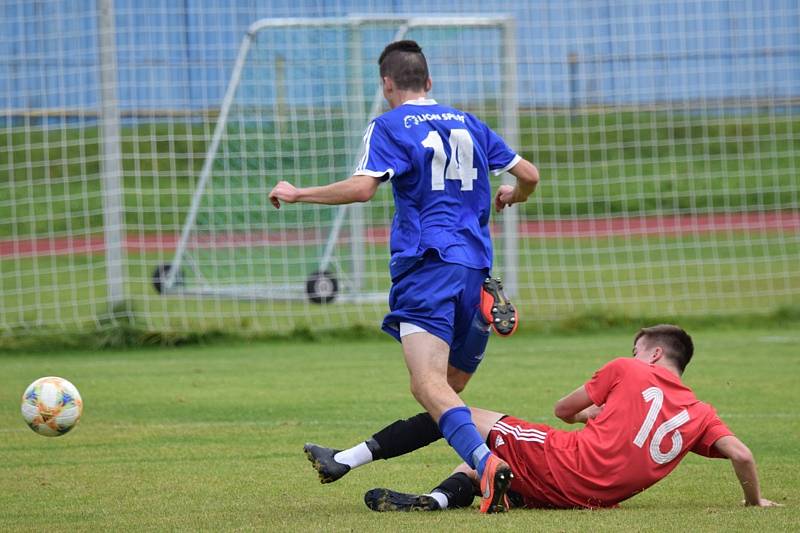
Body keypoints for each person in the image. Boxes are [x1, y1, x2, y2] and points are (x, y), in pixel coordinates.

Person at [269, 39, 540, 512]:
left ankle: (484, 462)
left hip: (427, 266)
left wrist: (298, 193)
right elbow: (531, 175)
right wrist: (512, 196)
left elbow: (361, 190)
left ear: (387, 84)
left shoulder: (389, 125)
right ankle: (344, 459)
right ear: (429, 82)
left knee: (428, 387)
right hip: (475, 273)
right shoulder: (470, 123)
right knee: (444, 398)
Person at [318, 325, 782, 512]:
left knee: (452, 413)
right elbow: (741, 455)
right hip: (589, 498)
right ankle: (434, 502)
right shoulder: (701, 413)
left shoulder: (630, 369)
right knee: (488, 457)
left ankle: (345, 458)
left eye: (637, 349)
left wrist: (592, 414)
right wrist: (753, 502)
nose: (632, 355)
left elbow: (564, 409)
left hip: (569, 461)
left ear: (654, 354)